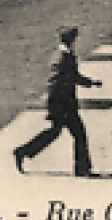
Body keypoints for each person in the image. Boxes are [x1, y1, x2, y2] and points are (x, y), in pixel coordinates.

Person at [14, 26, 102, 177]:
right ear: (70, 40)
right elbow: (64, 80)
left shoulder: (62, 55)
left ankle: (23, 151)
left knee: (56, 133)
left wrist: (90, 82)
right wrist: (56, 106)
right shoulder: (63, 57)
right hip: (62, 103)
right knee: (77, 134)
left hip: (62, 102)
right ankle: (82, 169)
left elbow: (71, 77)